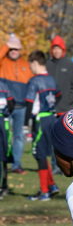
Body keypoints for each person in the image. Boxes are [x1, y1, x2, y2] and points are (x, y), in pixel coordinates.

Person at [25, 51, 60, 201]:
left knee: (39, 154)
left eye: (30, 65)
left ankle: (44, 191)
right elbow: (59, 95)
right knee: (44, 154)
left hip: (40, 120)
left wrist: (25, 124)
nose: (30, 68)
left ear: (35, 63)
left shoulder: (34, 81)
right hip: (51, 119)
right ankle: (52, 186)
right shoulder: (51, 79)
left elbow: (29, 103)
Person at [0, 33, 33, 173]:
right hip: (5, 107)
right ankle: (3, 163)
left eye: (16, 48)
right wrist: (6, 45)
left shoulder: (26, 64)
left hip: (21, 107)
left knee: (18, 137)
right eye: (11, 49)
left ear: (20, 50)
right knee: (3, 136)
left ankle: (16, 165)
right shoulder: (3, 63)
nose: (14, 51)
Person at [46, 35, 73, 115]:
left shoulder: (70, 64)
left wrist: (68, 100)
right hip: (50, 107)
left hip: (67, 108)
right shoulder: (48, 64)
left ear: (63, 49)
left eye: (58, 48)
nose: (56, 51)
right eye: (54, 49)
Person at [0, 77, 14, 199]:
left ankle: (3, 186)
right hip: (3, 122)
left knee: (3, 155)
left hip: (2, 122)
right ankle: (4, 186)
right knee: (3, 155)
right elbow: (11, 102)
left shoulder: (3, 84)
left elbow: (10, 102)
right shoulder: (4, 84)